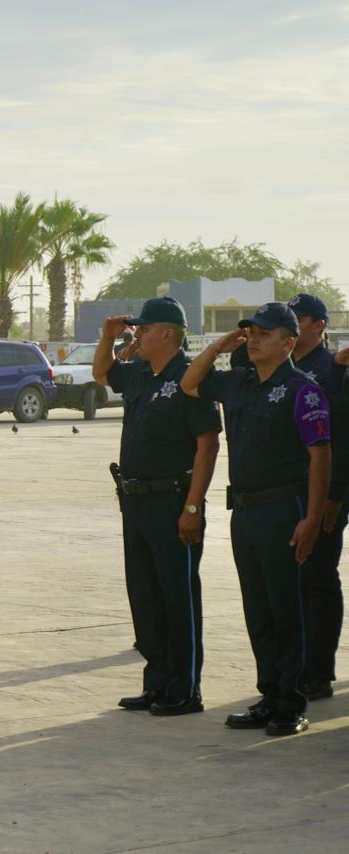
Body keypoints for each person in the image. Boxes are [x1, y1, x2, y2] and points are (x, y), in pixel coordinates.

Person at [182, 302, 331, 736]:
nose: (254, 339)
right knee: (258, 609)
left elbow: (320, 458)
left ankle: (291, 702)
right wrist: (218, 347)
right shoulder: (239, 383)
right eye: (251, 332)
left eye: (265, 334)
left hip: (283, 510)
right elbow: (190, 384)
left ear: (289, 342)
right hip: (245, 513)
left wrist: (312, 518)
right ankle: (269, 694)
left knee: (286, 609)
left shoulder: (303, 391)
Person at [93, 297, 222, 715]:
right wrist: (107, 338)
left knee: (177, 595)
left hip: (172, 500)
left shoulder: (191, 377)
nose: (138, 334)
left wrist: (193, 507)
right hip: (135, 500)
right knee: (145, 595)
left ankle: (184, 688)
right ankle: (157, 681)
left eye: (145, 329)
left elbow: (208, 444)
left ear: (168, 334)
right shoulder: (140, 373)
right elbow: (102, 373)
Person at [287, 293, 346, 701]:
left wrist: (334, 496)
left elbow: (341, 439)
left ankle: (319, 672)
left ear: (320, 325)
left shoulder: (332, 370)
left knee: (318, 579)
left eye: (300, 318)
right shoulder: (283, 368)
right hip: (287, 493)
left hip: (322, 495)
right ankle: (295, 666)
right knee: (291, 583)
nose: (292, 324)